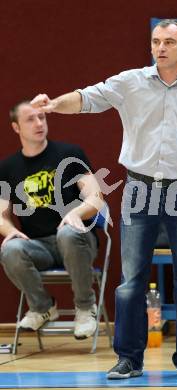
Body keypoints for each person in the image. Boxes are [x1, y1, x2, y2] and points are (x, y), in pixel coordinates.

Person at [31, 19, 177, 378]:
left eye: (169, 42)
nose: (160, 48)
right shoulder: (130, 82)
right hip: (139, 188)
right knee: (130, 281)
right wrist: (52, 104)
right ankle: (128, 359)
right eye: (156, 41)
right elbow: (87, 98)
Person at [0, 100, 103, 340]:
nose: (38, 123)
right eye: (30, 119)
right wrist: (8, 230)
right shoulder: (7, 168)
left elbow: (96, 198)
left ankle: (86, 307)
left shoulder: (70, 154)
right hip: (39, 247)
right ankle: (42, 307)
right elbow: (2, 215)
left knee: (67, 232)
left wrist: (75, 213)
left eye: (42, 117)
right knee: (10, 249)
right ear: (16, 128)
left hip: (77, 239)